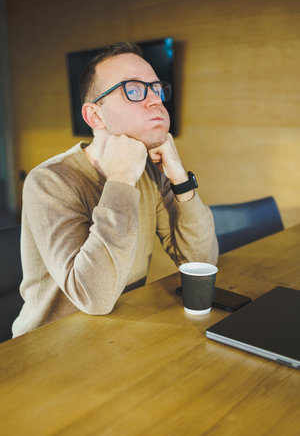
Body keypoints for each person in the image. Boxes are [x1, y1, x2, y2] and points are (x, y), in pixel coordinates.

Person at [12, 42, 218, 337]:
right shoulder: (49, 181)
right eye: (133, 90)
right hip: (49, 346)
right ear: (95, 116)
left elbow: (201, 264)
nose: (154, 101)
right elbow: (93, 297)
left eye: (156, 88)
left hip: (119, 333)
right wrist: (120, 182)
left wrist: (180, 179)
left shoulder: (151, 173)